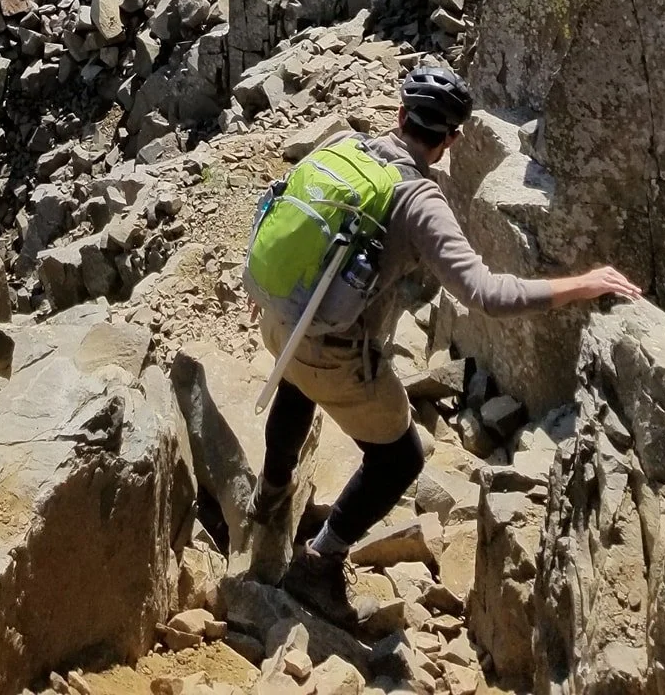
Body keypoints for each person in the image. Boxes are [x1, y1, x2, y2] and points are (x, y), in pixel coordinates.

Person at [249, 61, 641, 626]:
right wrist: (579, 283)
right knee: (401, 456)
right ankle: (320, 561)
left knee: (295, 380)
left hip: (277, 321)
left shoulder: (343, 146)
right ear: (451, 139)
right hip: (332, 353)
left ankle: (272, 492)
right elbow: (485, 292)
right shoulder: (418, 201)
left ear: (400, 115)